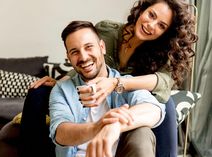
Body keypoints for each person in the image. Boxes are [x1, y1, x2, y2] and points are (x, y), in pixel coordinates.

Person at [19, 0, 198, 156]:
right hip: (95, 90)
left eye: (161, 25)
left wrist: (116, 84)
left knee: (166, 104)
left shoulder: (161, 53)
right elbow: (87, 59)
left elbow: (163, 83)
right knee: (39, 92)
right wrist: (62, 82)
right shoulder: (108, 31)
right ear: (143, 9)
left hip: (127, 96)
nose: (151, 25)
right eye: (151, 15)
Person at [49, 20, 165, 157]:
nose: (84, 57)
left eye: (89, 47)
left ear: (102, 47)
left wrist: (114, 126)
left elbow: (154, 109)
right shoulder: (62, 90)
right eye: (75, 52)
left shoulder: (125, 84)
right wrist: (98, 126)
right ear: (68, 57)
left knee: (142, 133)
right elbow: (60, 133)